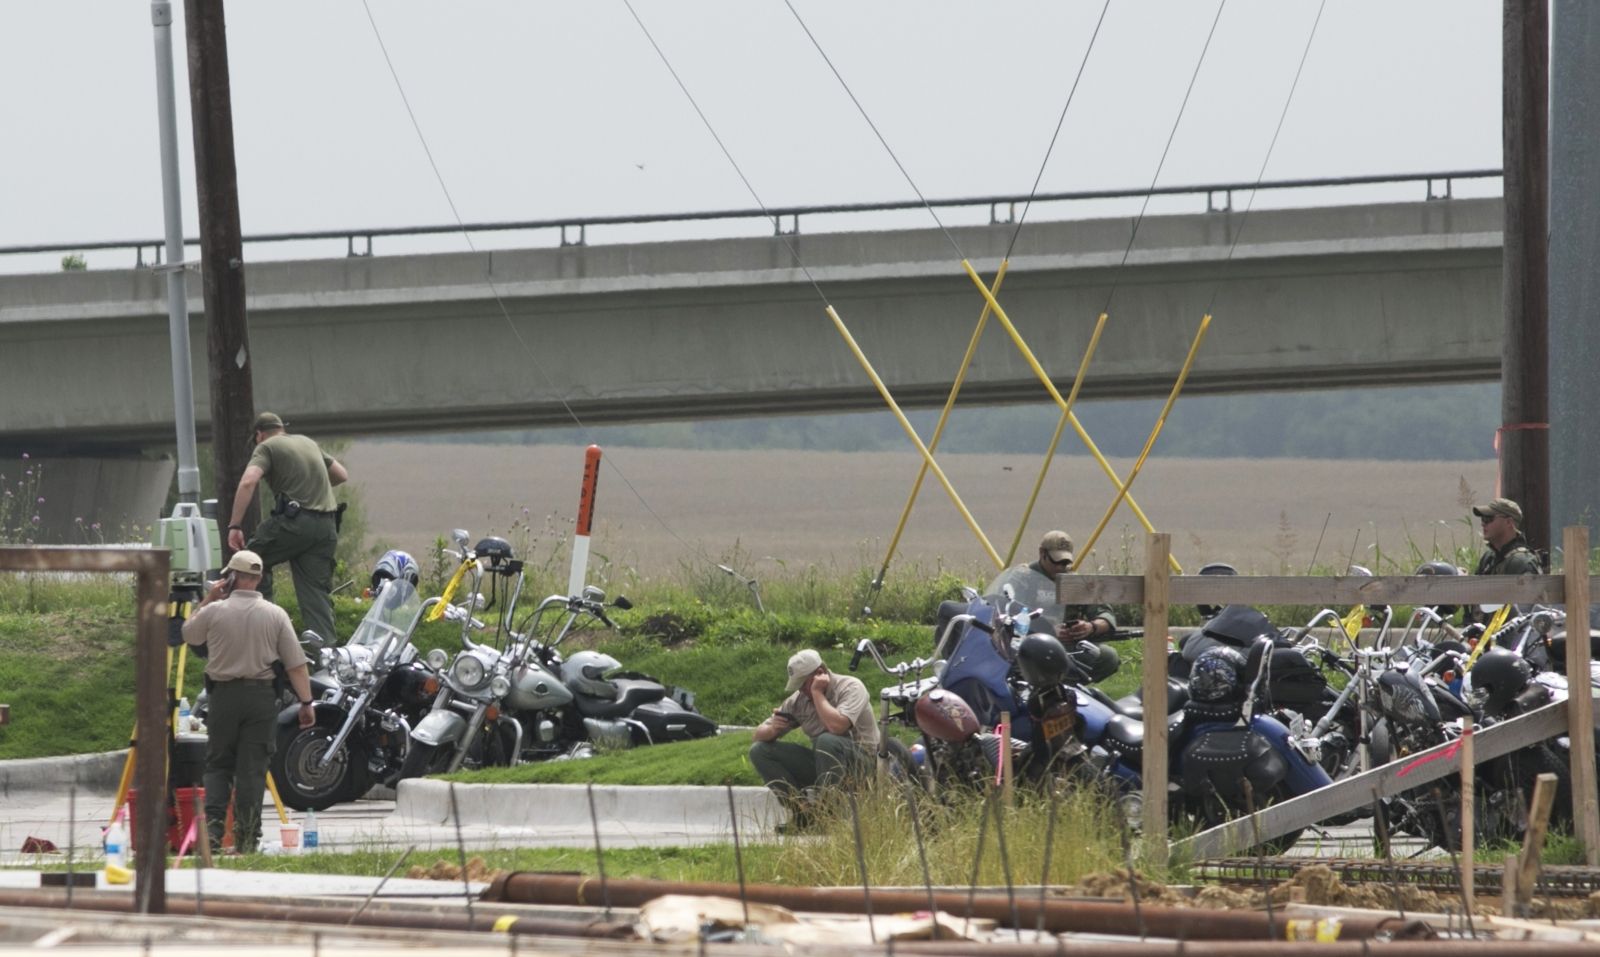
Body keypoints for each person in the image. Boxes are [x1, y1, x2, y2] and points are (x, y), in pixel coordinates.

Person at [182, 549, 316, 854]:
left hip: (223, 696)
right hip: (261, 697)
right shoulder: (275, 614)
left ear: (231, 577)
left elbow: (189, 634)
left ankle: (213, 836)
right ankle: (246, 840)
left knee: (218, 766)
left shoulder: (215, 611)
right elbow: (296, 665)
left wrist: (208, 599)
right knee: (252, 770)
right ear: (257, 578)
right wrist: (306, 703)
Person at [225, 412, 348, 643]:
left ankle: (266, 634)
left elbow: (248, 481)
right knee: (316, 593)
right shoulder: (307, 442)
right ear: (282, 429)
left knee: (251, 562)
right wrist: (310, 487)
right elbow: (341, 475)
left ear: (259, 435)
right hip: (326, 527)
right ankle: (325, 657)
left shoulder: (266, 447)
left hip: (295, 524)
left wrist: (235, 525)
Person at [749, 649, 880, 831]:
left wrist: (817, 693)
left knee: (826, 740)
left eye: (803, 684)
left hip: (864, 766)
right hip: (825, 767)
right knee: (759, 750)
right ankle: (803, 813)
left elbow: (838, 726)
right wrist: (773, 729)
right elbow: (757, 735)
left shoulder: (851, 687)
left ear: (820, 673)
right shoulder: (798, 700)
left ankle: (828, 813)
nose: (801, 690)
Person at [1023, 530, 1120, 682]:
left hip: (1068, 647)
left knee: (1109, 657)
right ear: (1042, 553)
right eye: (1056, 561)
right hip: (1029, 646)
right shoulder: (1023, 578)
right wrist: (1047, 629)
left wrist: (1090, 627)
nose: (1061, 567)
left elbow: (1105, 614)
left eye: (1065, 562)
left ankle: (1070, 687)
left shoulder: (1076, 582)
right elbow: (1008, 614)